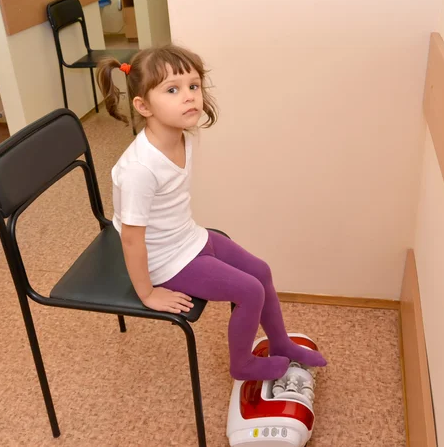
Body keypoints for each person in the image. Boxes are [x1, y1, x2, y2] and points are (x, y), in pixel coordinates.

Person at [97, 45, 326, 381]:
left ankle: (280, 343)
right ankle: (242, 365)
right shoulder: (139, 169)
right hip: (165, 260)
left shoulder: (182, 137)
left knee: (260, 272)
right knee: (250, 292)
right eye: (172, 90)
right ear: (143, 106)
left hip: (189, 237)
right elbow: (131, 238)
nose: (189, 97)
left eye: (193, 86)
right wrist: (147, 292)